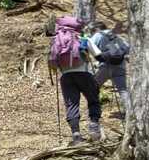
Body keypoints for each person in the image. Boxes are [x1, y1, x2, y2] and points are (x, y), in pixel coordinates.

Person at [48, 14, 102, 144]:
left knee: (72, 105)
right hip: (84, 74)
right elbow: (98, 55)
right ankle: (94, 126)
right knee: (93, 99)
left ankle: (76, 135)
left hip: (66, 77)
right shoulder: (82, 38)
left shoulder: (56, 40)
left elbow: (52, 62)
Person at [85, 23, 130, 115]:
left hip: (105, 67)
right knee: (123, 90)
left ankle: (94, 111)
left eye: (92, 31)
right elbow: (127, 48)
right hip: (120, 67)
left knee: (93, 88)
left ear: (97, 29)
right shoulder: (115, 35)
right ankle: (130, 112)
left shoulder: (98, 35)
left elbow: (88, 46)